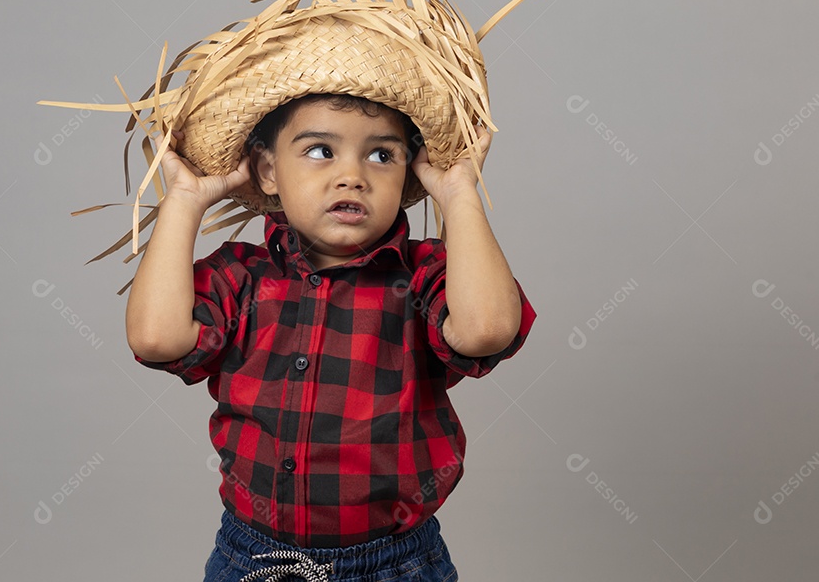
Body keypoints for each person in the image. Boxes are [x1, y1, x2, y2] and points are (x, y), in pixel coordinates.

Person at [125, 91, 536, 581]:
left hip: (396, 563)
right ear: (268, 170)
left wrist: (460, 193)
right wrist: (185, 202)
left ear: (408, 172)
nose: (352, 176)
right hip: (254, 559)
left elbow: (486, 329)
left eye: (382, 155)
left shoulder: (425, 275)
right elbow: (154, 338)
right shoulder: (241, 277)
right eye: (320, 150)